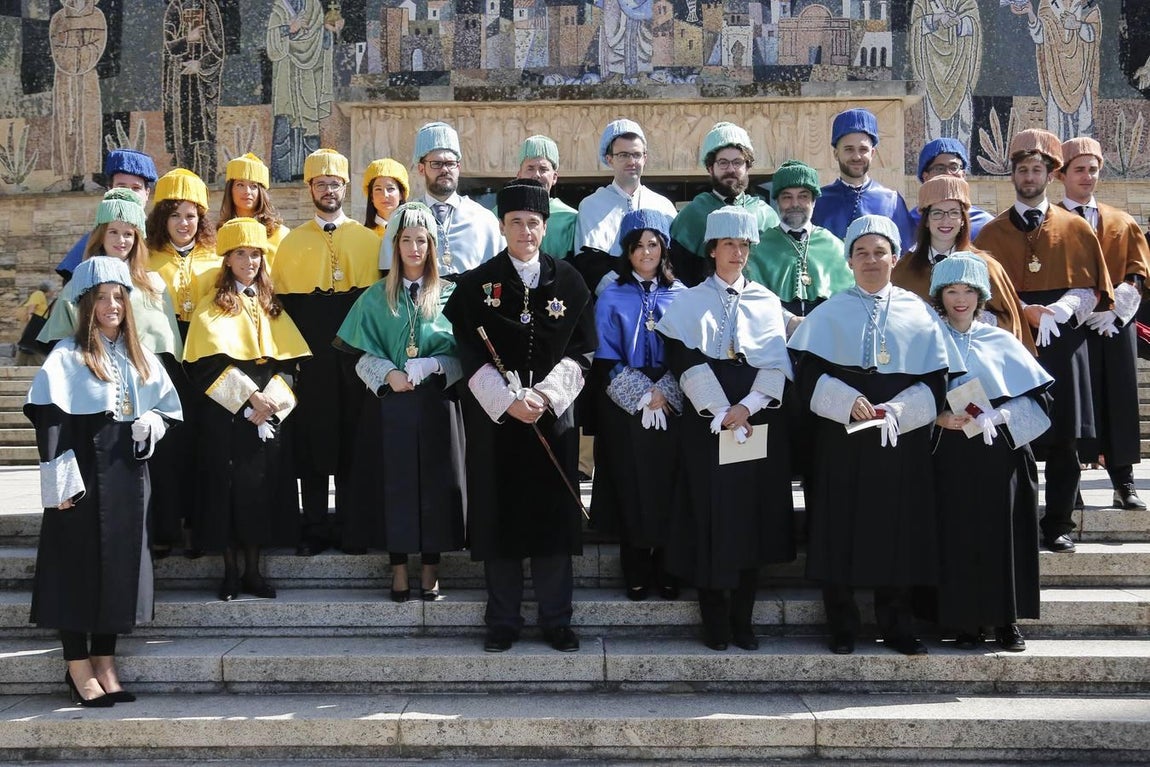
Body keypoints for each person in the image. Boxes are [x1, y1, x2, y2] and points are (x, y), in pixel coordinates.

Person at [788, 215, 958, 656]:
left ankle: (898, 624)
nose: (870, 260)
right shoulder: (828, 312)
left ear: (895, 257)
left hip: (899, 438)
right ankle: (842, 624)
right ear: (848, 260)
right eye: (861, 252)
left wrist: (902, 409)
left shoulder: (918, 311)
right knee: (837, 526)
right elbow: (805, 375)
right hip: (841, 439)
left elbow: (939, 377)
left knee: (900, 527)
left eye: (879, 251)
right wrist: (842, 398)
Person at [442, 179, 595, 654]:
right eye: (515, 223)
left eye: (533, 223)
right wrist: (507, 402)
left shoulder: (570, 281)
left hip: (554, 418)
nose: (525, 231)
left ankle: (556, 619)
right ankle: (503, 620)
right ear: (502, 226)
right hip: (498, 424)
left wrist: (545, 398)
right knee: (499, 516)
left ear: (545, 227)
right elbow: (469, 354)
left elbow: (583, 353)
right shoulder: (476, 286)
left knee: (552, 520)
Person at [25, 256, 182, 706]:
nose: (112, 305)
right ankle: (77, 665)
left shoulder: (141, 356)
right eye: (102, 298)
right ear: (85, 304)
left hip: (127, 471)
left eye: (119, 297)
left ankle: (105, 660)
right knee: (72, 564)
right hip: (80, 469)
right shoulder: (66, 357)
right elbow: (50, 423)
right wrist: (58, 483)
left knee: (119, 563)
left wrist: (152, 421)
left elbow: (167, 407)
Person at [657, 207, 796, 652]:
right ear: (712, 249)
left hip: (755, 417)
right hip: (708, 420)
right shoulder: (689, 301)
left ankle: (744, 618)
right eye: (729, 245)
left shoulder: (766, 300)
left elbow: (777, 362)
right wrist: (719, 409)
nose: (737, 253)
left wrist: (749, 406)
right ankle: (714, 616)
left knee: (750, 516)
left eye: (744, 245)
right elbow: (682, 360)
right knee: (711, 516)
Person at [974, 129, 1113, 553]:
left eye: (1037, 169)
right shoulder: (992, 233)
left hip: (1064, 340)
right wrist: (1023, 311)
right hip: (1011, 339)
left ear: (1050, 175)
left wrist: (1061, 309)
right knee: (1014, 432)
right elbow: (978, 292)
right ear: (1012, 176)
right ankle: (1016, 521)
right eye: (1022, 170)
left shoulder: (1075, 227)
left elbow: (1092, 287)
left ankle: (1057, 523)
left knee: (1065, 436)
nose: (1030, 176)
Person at [40, 189, 188, 556]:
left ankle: (158, 536)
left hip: (148, 390)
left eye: (129, 234)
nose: (121, 240)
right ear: (100, 236)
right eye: (114, 232)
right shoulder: (81, 280)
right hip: (97, 388)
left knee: (156, 470)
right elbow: (62, 342)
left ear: (138, 239)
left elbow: (169, 346)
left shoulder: (154, 284)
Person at [336, 202, 466, 602]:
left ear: (432, 246)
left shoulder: (450, 294)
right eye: (406, 240)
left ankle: (430, 568)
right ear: (395, 247)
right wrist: (387, 373)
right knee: (394, 487)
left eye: (421, 241)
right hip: (390, 405)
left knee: (435, 486)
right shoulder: (376, 297)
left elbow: (467, 353)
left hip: (436, 405)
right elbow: (352, 354)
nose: (414, 248)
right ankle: (397, 569)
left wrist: (435, 364)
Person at [928, 253, 1052, 652]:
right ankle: (963, 622)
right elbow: (910, 393)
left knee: (1005, 534)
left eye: (968, 290)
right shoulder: (926, 340)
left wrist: (1001, 415)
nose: (960, 299)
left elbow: (1041, 400)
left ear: (981, 295)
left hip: (1002, 452)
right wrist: (937, 418)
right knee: (956, 534)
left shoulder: (1000, 339)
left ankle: (1006, 621)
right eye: (951, 290)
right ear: (939, 295)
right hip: (949, 453)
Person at [183, 218, 311, 601]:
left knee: (258, 493)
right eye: (241, 253)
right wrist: (248, 398)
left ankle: (254, 571)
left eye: (255, 254)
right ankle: (229, 574)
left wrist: (272, 400)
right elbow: (203, 364)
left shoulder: (274, 306)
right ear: (227, 259)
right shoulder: (212, 305)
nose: (250, 261)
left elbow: (291, 363)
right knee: (226, 493)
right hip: (227, 417)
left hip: (266, 416)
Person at [274, 148, 381, 556]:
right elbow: (283, 311)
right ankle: (315, 525)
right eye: (321, 183)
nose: (328, 189)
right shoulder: (290, 243)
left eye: (335, 183)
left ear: (345, 187)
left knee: (354, 438)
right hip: (313, 361)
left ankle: (352, 525)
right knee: (313, 440)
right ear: (310, 188)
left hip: (356, 360)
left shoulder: (367, 242)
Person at [590, 209, 685, 601]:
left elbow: (687, 351)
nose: (646, 252)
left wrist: (665, 391)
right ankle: (636, 568)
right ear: (627, 252)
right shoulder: (611, 295)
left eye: (653, 244)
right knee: (632, 486)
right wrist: (641, 395)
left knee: (670, 487)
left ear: (663, 248)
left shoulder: (682, 294)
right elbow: (604, 355)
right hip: (626, 403)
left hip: (671, 402)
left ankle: (668, 566)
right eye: (638, 246)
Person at [1056, 137, 1150, 510]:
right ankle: (1070, 483)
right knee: (1075, 402)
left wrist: (1115, 310)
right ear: (1061, 174)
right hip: (1069, 325)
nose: (1086, 176)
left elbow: (1138, 271)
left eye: (1092, 169)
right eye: (1078, 169)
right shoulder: (1050, 221)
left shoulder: (1121, 221)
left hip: (1114, 325)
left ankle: (1123, 481)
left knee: (1121, 397)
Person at [893, 175, 1033, 354]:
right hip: (919, 365)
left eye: (953, 212)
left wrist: (964, 318)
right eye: (937, 213)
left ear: (963, 220)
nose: (946, 221)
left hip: (974, 364)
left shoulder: (987, 267)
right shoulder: (903, 270)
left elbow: (1009, 322)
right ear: (926, 221)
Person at [379, 122, 503, 278]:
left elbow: (500, 276)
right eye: (436, 164)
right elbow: (388, 278)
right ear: (421, 168)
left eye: (450, 164)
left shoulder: (484, 220)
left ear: (458, 167)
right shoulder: (402, 218)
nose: (445, 170)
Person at [668, 121, 779, 288]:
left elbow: (775, 271)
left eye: (737, 162)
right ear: (710, 168)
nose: (731, 169)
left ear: (747, 167)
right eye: (723, 163)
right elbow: (679, 277)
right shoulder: (691, 216)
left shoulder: (765, 215)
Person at [576, 119, 677, 292]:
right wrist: (625, 295)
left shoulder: (663, 205)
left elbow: (673, 261)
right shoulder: (591, 205)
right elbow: (589, 265)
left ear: (645, 158)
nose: (631, 161)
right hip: (613, 302)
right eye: (623, 155)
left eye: (636, 154)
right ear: (609, 159)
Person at [749, 159, 852, 320]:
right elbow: (753, 303)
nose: (795, 204)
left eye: (803, 196)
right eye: (787, 197)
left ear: (814, 201)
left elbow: (846, 302)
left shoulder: (835, 247)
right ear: (777, 202)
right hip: (776, 337)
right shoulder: (759, 249)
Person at [811, 108, 915, 248]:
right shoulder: (818, 201)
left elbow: (904, 257)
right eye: (849, 149)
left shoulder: (891, 201)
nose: (856, 157)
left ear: (872, 153)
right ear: (836, 154)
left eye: (863, 149)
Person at [56, 148, 159, 282]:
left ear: (147, 193)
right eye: (121, 187)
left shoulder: (160, 237)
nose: (128, 194)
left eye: (136, 188)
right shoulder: (94, 240)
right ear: (109, 190)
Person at [146, 168, 221, 336]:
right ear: (162, 219)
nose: (183, 223)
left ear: (200, 220)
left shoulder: (217, 257)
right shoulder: (146, 258)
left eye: (190, 216)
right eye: (175, 215)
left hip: (205, 339)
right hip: (163, 339)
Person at [908, 138, 994, 239]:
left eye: (954, 167)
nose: (948, 174)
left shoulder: (984, 225)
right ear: (925, 176)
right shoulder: (910, 224)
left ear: (963, 174)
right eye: (939, 168)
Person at [218, 153, 290, 264]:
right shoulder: (218, 234)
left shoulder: (279, 233)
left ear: (261, 193)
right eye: (240, 185)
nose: (247, 192)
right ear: (230, 190)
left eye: (253, 186)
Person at [515, 135, 578, 260]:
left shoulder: (571, 218)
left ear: (554, 177)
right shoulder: (499, 215)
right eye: (530, 168)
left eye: (543, 169)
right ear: (519, 175)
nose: (536, 175)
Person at [362, 158, 409, 238]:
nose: (385, 195)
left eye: (390, 189)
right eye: (378, 189)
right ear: (371, 196)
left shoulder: (412, 232)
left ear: (401, 194)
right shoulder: (362, 235)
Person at [16, 280, 56, 366]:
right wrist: (31, 325)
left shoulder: (43, 297)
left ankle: (21, 364)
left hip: (36, 325)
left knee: (28, 345)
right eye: (53, 290)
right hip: (33, 325)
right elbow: (32, 307)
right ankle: (38, 365)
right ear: (48, 290)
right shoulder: (38, 294)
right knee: (32, 345)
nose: (54, 293)